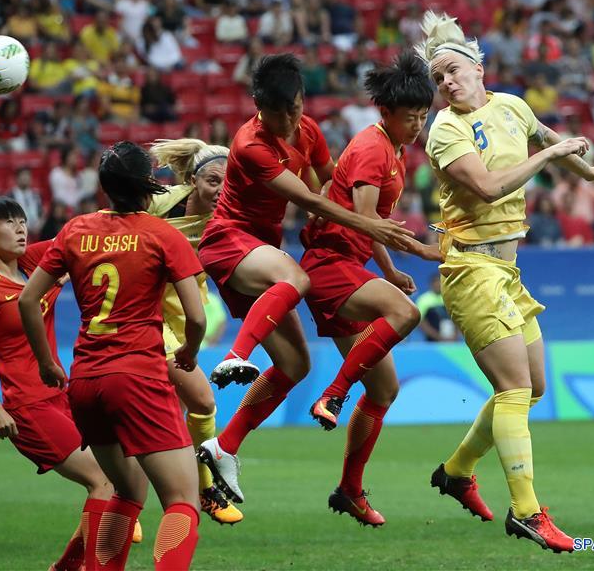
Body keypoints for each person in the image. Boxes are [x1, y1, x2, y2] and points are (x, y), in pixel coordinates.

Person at [417, 12, 594, 553]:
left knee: (534, 387)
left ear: (477, 67)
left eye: (453, 70)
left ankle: (458, 471)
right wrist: (552, 156)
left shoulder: (510, 105)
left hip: (507, 270)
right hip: (470, 268)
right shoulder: (446, 129)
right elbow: (487, 188)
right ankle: (528, 512)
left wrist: (588, 170)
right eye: (437, 78)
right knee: (513, 390)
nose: (446, 82)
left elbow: (545, 133)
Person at [194, 54, 414, 505]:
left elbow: (321, 190)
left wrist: (356, 187)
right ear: (259, 105)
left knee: (295, 366)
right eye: (280, 112)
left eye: (295, 107)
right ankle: (235, 355)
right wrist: (369, 224)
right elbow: (306, 199)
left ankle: (223, 447)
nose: (290, 119)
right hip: (230, 240)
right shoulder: (250, 144)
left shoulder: (308, 129)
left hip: (263, 253)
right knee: (296, 277)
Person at [20, 142, 205, 571]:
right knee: (182, 499)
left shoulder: (73, 230)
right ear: (149, 188)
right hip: (137, 376)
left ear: (104, 187)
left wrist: (48, 362)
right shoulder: (163, 235)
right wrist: (190, 354)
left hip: (85, 381)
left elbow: (29, 300)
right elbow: (195, 317)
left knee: (125, 494)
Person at [0, 197, 141, 571]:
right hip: (27, 407)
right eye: (9, 222)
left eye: (22, 220)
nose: (21, 228)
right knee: (104, 481)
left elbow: (77, 240)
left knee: (119, 477)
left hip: (63, 395)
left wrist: (122, 209)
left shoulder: (30, 266)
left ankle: (66, 568)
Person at [299, 52, 440, 526]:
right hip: (329, 265)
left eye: (423, 115)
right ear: (386, 113)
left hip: (349, 262)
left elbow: (369, 228)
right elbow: (364, 219)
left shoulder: (395, 150)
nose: (417, 124)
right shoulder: (372, 148)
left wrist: (388, 267)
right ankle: (334, 394)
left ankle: (349, 490)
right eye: (410, 117)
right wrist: (418, 252)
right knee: (406, 313)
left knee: (384, 388)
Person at [147, 137, 244, 526]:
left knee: (173, 411)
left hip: (180, 318)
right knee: (201, 401)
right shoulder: (161, 203)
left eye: (228, 181)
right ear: (194, 180)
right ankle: (205, 487)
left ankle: (117, 504)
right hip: (143, 315)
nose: (220, 190)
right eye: (212, 181)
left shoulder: (230, 218)